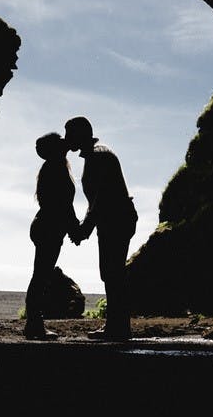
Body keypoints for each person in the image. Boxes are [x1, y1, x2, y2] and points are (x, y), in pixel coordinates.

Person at [64, 116, 138, 341]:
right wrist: (87, 227)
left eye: (70, 134)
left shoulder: (98, 155)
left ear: (81, 134)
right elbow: (96, 200)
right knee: (111, 271)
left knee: (112, 272)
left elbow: (101, 197)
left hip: (116, 219)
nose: (67, 139)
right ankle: (116, 325)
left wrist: (84, 229)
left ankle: (118, 327)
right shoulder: (96, 155)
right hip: (114, 219)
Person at [24, 132, 81, 340]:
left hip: (46, 227)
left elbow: (64, 205)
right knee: (40, 276)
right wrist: (75, 229)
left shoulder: (55, 167)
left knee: (41, 275)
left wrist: (72, 228)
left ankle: (34, 323)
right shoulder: (56, 168)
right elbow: (64, 205)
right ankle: (34, 324)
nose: (65, 142)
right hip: (48, 228)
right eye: (60, 141)